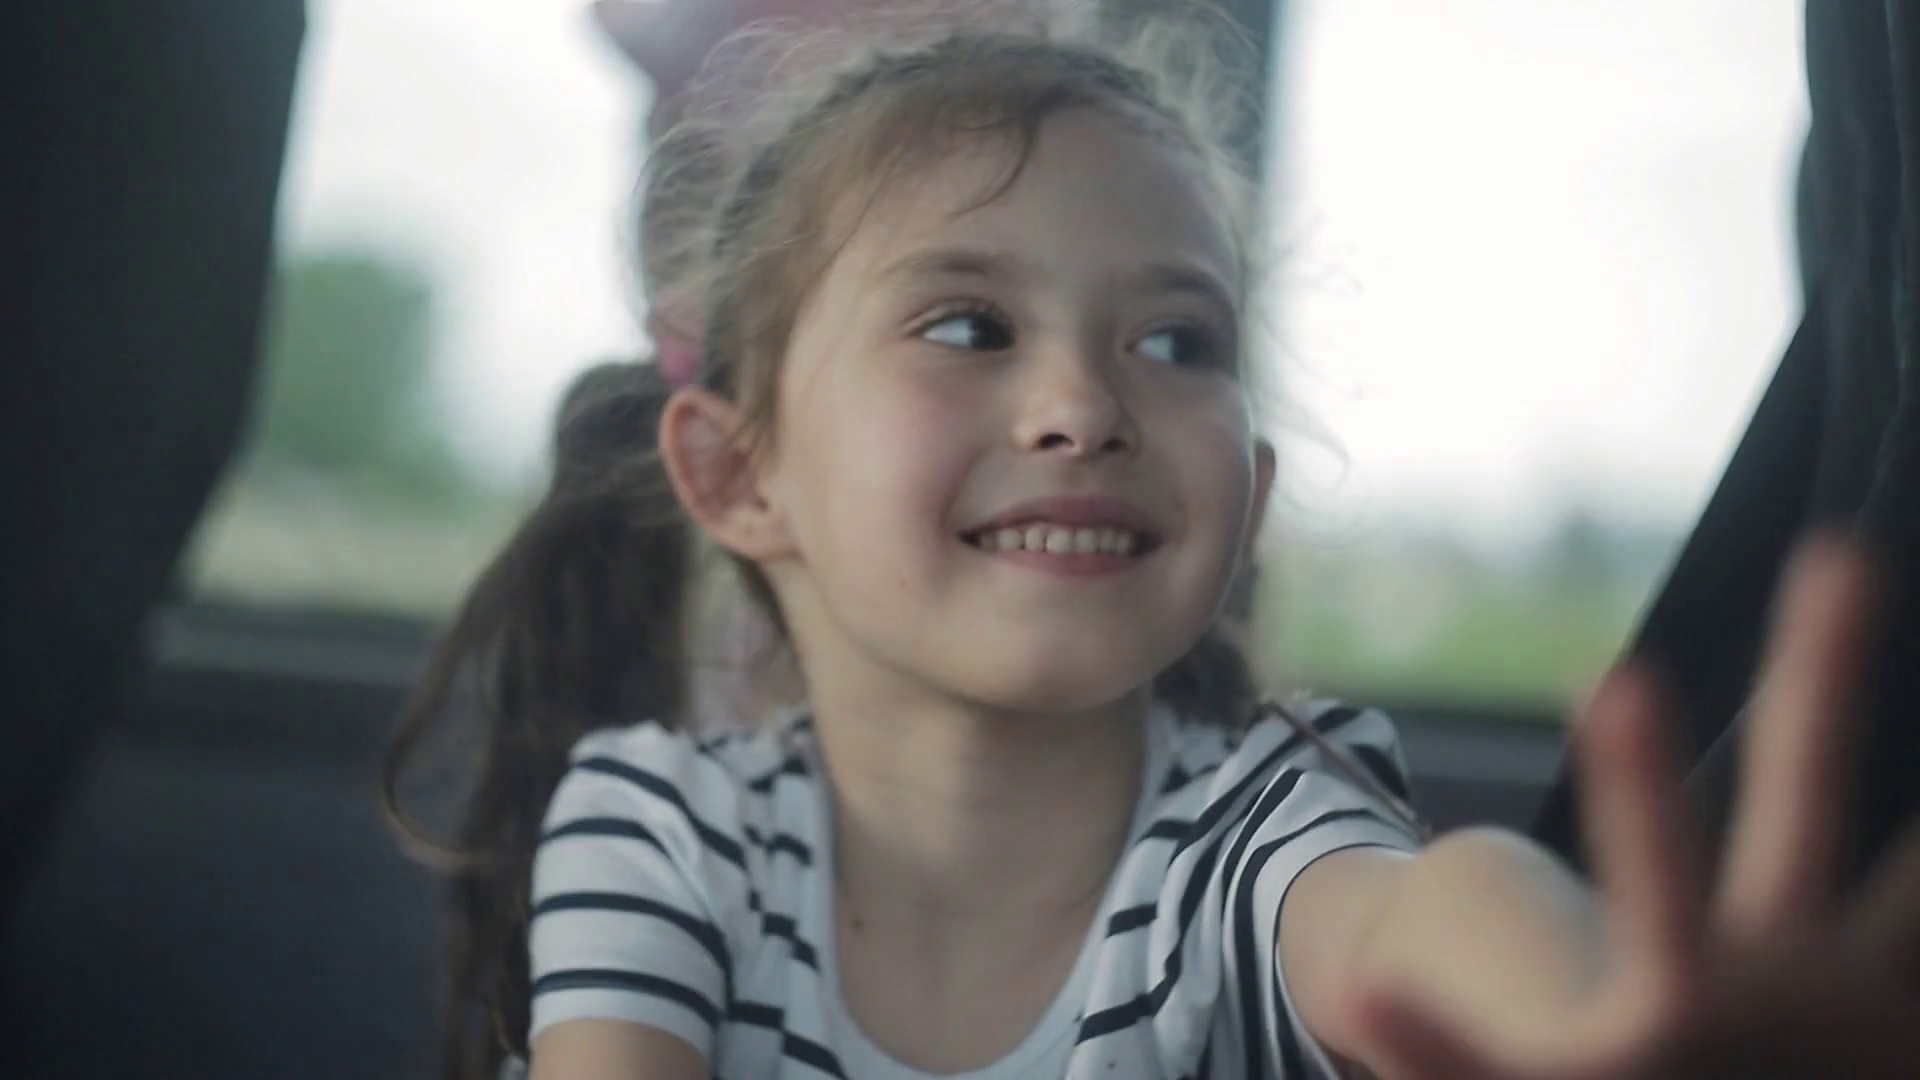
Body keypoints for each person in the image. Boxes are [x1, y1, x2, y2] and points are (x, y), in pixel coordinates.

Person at [384, 8, 1920, 1080]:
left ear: (1241, 494)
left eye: (1178, 339)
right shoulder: (655, 825)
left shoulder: (1255, 831)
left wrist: (1591, 1010)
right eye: (969, 324)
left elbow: (1430, 911)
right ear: (738, 476)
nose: (1083, 403)